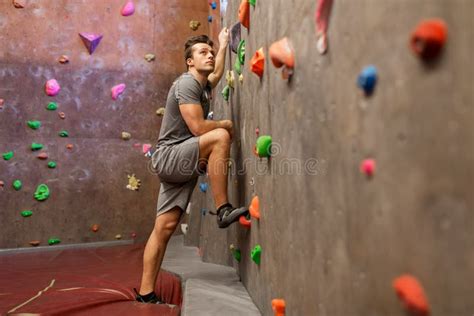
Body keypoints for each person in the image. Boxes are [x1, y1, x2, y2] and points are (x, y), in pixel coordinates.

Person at [134, 28, 249, 304]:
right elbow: (197, 127)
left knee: (164, 226)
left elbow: (218, 73)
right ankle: (223, 209)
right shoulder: (186, 84)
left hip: (178, 158)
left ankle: (145, 292)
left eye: (209, 52)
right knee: (220, 136)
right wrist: (224, 124)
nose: (208, 56)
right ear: (189, 61)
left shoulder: (203, 84)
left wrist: (221, 46)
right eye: (202, 52)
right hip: (171, 156)